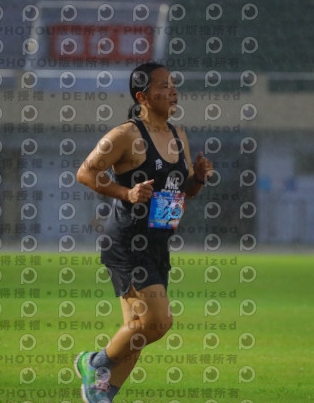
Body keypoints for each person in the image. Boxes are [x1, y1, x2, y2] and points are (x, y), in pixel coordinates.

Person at [74, 62, 213, 402]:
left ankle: (102, 393)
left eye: (173, 84)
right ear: (143, 97)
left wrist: (197, 179)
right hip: (127, 241)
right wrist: (127, 193)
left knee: (136, 331)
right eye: (163, 85)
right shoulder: (126, 135)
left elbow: (182, 191)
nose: (172, 90)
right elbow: (86, 173)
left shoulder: (179, 135)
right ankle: (94, 362)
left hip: (158, 242)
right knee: (157, 323)